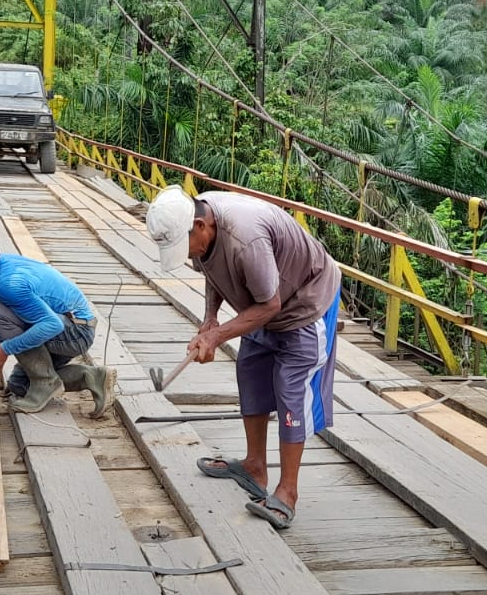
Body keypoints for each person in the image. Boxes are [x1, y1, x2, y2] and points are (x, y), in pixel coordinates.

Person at [145, 185, 341, 530]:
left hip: (303, 305)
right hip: (260, 299)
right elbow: (211, 268)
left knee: (289, 391)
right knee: (250, 371)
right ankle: (254, 466)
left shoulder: (246, 239)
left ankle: (288, 492)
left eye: (186, 245)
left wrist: (218, 335)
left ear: (202, 227)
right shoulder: (202, 218)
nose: (189, 255)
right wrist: (210, 319)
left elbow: (271, 305)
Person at [0, 217, 117, 416]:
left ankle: (45, 382)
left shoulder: (8, 283)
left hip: (76, 331)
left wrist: (4, 349)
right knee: (19, 385)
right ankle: (93, 377)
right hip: (69, 325)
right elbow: (23, 313)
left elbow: (52, 325)